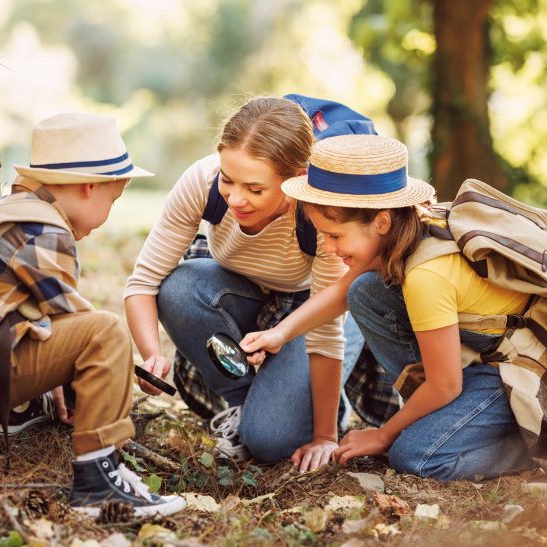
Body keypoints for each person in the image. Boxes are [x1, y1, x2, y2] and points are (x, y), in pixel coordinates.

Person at [0, 112, 186, 516]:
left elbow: (41, 318)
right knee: (106, 331)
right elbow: (81, 328)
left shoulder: (8, 208)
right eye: (113, 200)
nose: (111, 211)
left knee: (92, 333)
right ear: (88, 187)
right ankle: (99, 483)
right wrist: (121, 374)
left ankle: (23, 408)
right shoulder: (47, 232)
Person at [241, 134, 534, 480]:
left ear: (381, 222)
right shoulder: (403, 232)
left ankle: (537, 442)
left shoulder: (426, 276)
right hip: (483, 361)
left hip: (523, 372)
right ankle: (440, 420)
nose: (328, 248)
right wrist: (279, 333)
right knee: (365, 291)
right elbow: (341, 292)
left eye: (335, 235)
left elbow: (445, 385)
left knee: (414, 456)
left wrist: (384, 434)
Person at [124, 97, 367, 472]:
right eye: (228, 179)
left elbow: (326, 330)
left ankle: (310, 407)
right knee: (179, 287)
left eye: (255, 189)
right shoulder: (202, 182)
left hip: (314, 311)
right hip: (244, 296)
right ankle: (245, 404)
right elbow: (143, 282)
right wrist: (151, 354)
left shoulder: (320, 211)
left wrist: (324, 436)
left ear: (297, 179)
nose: (236, 198)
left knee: (269, 442)